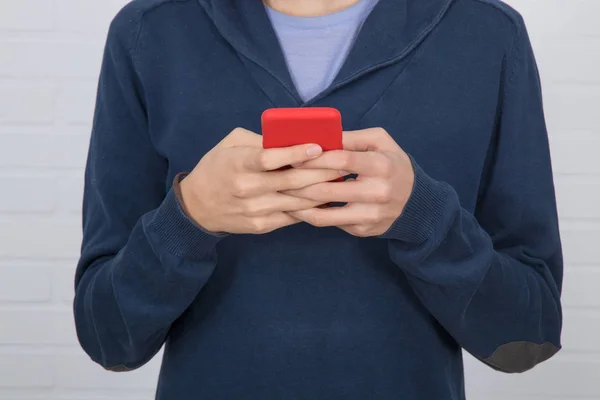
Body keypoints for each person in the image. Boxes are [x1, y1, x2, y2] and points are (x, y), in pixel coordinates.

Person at [73, 0, 564, 398]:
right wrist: (189, 217)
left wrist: (424, 217)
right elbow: (108, 336)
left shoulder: (487, 34)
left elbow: (527, 336)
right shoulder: (149, 32)